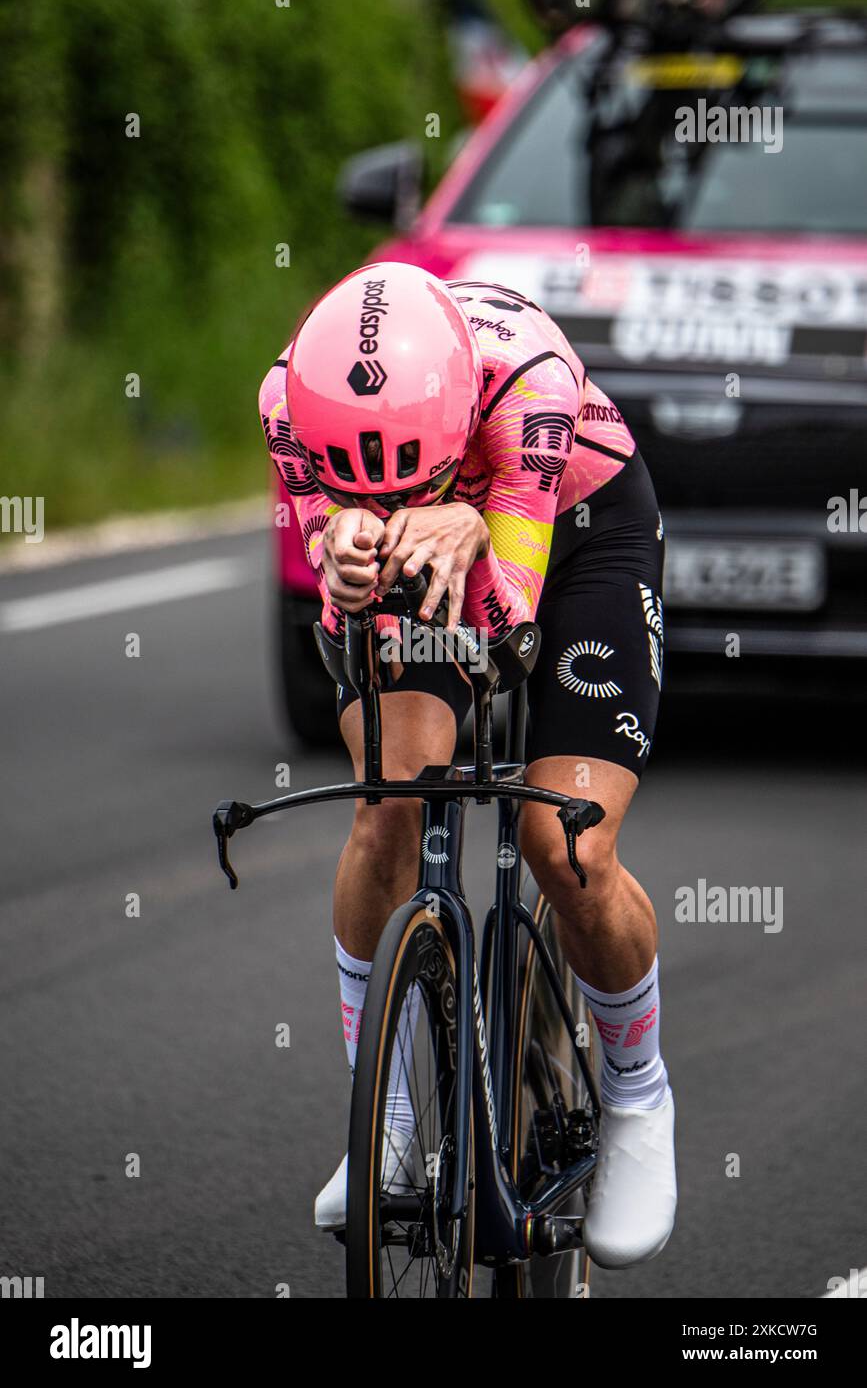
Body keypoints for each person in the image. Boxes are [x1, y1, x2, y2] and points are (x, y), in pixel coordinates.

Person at [258, 261, 676, 1269]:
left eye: (415, 478)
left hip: (575, 538)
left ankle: (638, 1098)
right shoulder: (290, 402)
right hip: (438, 542)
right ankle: (389, 1119)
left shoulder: (529, 384)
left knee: (562, 843)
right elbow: (338, 598)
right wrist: (344, 555)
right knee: (388, 806)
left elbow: (509, 633)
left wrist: (477, 519)